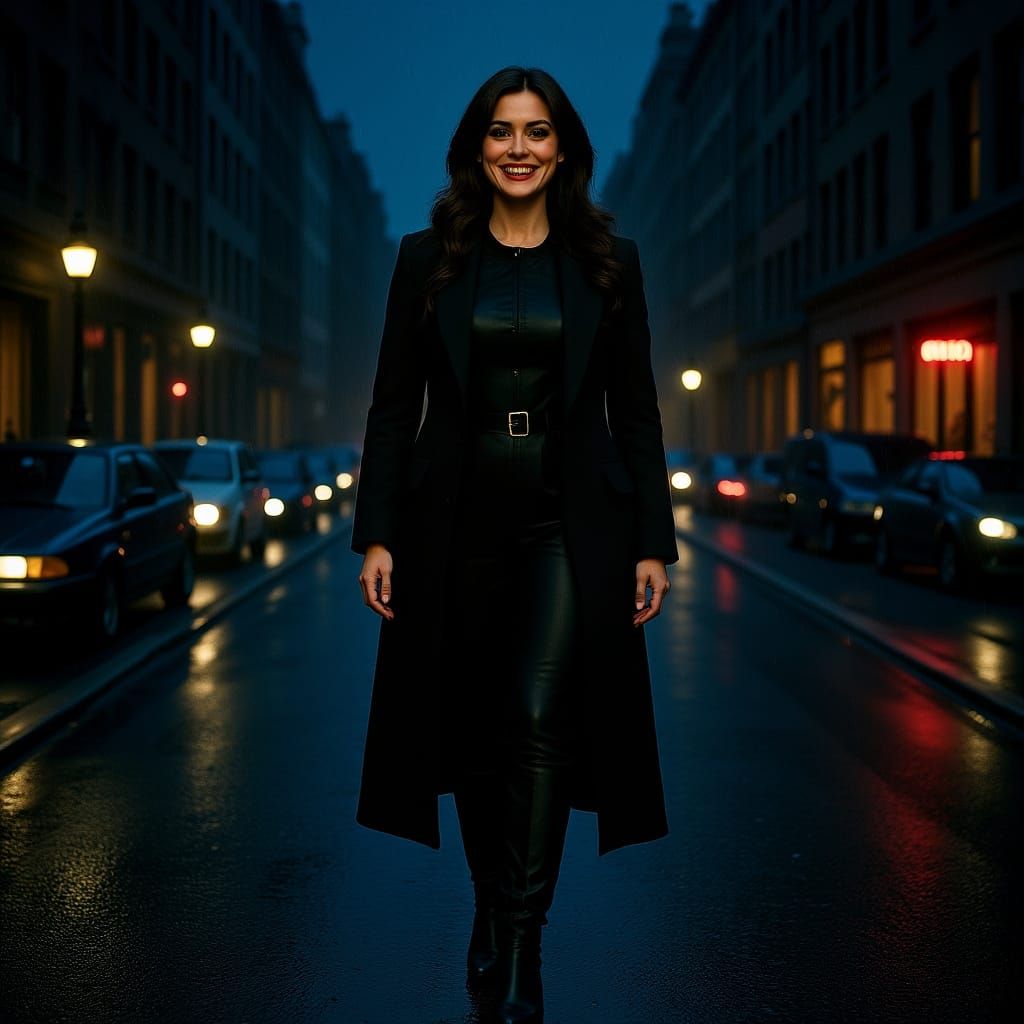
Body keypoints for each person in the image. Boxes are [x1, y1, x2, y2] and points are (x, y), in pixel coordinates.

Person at [353, 66, 678, 1024]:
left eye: (537, 132)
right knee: (473, 734)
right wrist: (377, 533)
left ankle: (525, 937)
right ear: (476, 148)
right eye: (502, 132)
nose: (520, 149)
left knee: (539, 715)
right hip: (450, 525)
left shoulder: (609, 262)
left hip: (565, 528)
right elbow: (388, 409)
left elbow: (641, 414)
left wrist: (652, 541)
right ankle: (489, 907)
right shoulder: (427, 258)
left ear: (564, 147)